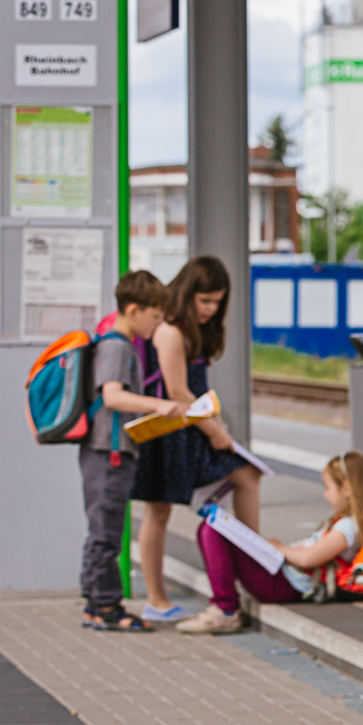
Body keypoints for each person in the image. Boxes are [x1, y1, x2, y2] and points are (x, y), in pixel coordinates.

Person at [132, 256, 261, 625]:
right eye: (204, 300)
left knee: (247, 476)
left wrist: (217, 427)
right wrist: (216, 433)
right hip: (169, 432)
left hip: (193, 428)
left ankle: (252, 560)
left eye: (217, 302)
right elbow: (178, 392)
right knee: (158, 512)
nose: (210, 309)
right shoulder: (170, 331)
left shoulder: (192, 331)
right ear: (187, 294)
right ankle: (156, 598)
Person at [178, 450, 363, 634]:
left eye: (328, 488)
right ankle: (224, 605)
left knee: (213, 530)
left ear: (346, 489)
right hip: (283, 575)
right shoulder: (350, 523)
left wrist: (279, 548)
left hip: (285, 584)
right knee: (212, 527)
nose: (325, 494)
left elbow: (308, 559)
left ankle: (226, 610)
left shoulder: (348, 527)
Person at [81, 271, 186, 632]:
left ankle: (96, 603)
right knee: (107, 530)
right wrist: (158, 406)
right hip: (108, 449)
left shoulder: (117, 343)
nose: (157, 324)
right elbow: (112, 395)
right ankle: (107, 605)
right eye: (155, 316)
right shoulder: (117, 346)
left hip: (110, 449)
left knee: (104, 526)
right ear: (133, 309)